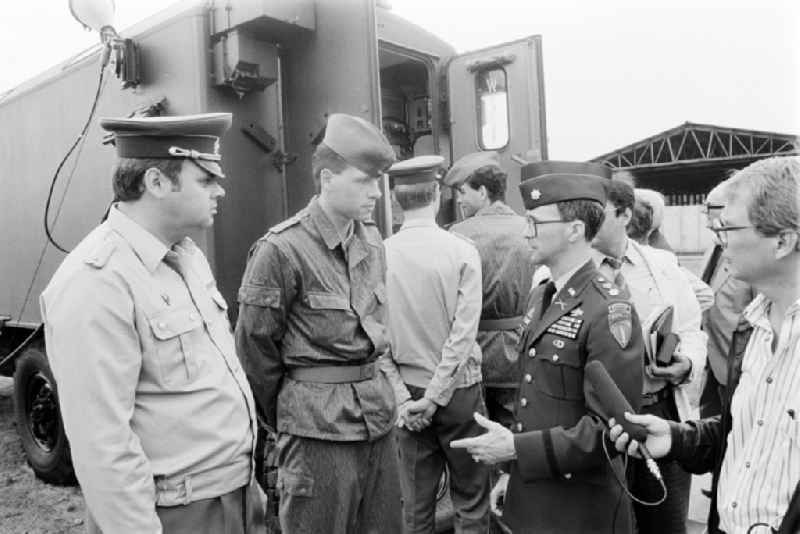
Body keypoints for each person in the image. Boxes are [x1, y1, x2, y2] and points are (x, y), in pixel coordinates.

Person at [40, 113, 266, 533]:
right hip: (176, 514)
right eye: (205, 180)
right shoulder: (97, 280)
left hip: (231, 497)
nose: (219, 190)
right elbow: (102, 446)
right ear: (157, 183)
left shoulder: (186, 256)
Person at [609, 156, 800, 534]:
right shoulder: (753, 327)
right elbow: (745, 435)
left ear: (783, 241)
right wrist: (677, 437)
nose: (717, 237)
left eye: (727, 227)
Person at [451, 161, 644, 533]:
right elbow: (533, 402)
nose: (526, 233)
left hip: (579, 512)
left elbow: (613, 430)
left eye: (535, 223)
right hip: (535, 498)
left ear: (574, 230)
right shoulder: (543, 296)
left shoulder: (608, 309)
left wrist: (515, 451)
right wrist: (513, 473)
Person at [234, 113, 402, 534]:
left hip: (377, 420)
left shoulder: (371, 242)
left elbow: (376, 330)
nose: (376, 194)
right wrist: (293, 410)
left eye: (377, 182)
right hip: (316, 431)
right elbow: (255, 348)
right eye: (363, 181)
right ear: (327, 179)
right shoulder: (282, 250)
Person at [381, 155, 490, 533]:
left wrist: (406, 400)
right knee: (472, 500)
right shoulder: (461, 251)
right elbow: (463, 335)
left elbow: (376, 339)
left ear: (396, 199)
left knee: (414, 507)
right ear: (438, 195)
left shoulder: (380, 254)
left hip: (407, 394)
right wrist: (438, 394)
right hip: (459, 392)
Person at [593, 180, 708, 534]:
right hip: (596, 420)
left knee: (665, 519)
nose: (585, 221)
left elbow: (691, 328)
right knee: (604, 521)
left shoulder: (663, 265)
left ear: (625, 214)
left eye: (597, 213)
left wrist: (686, 362)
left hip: (657, 409)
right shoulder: (558, 273)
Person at [444, 151, 536, 429]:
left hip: (474, 352)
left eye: (463, 192)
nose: (459, 200)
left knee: (477, 437)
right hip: (520, 350)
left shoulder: (456, 234)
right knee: (515, 433)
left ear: (482, 192)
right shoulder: (528, 229)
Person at [697, 178, 756, 417]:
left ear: (726, 209)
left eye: (708, 207)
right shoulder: (714, 247)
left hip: (739, 368)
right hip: (713, 360)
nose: (703, 213)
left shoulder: (753, 256)